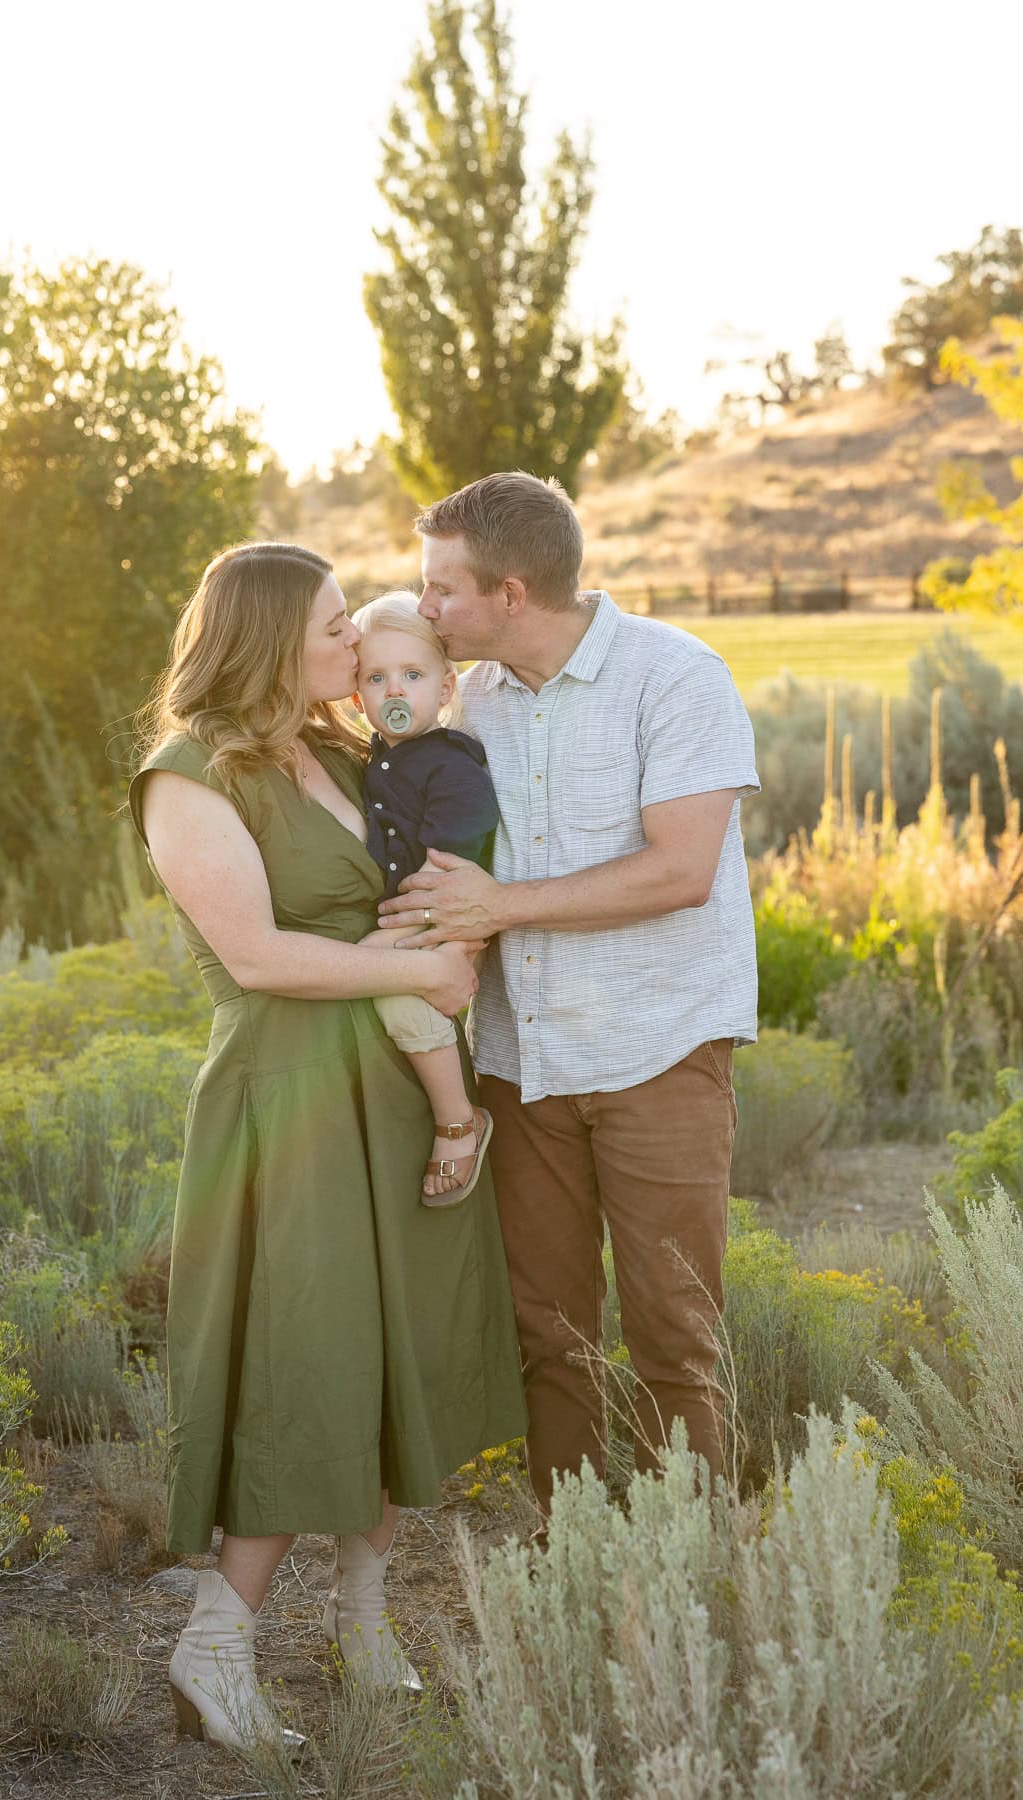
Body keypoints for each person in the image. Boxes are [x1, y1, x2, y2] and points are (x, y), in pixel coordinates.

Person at [128, 542, 527, 1749]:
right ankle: (214, 1648)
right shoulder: (190, 775)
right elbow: (254, 954)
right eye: (337, 623)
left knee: (399, 1361)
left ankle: (363, 1625)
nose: (358, 643)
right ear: (269, 638)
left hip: (399, 1092)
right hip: (288, 1097)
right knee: (304, 1370)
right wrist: (416, 967)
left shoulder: (351, 749)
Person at [378, 472, 759, 1516]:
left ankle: (688, 1570)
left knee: (675, 1336)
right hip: (521, 1064)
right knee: (549, 1336)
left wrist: (501, 906)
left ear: (509, 593)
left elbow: (682, 872)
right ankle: (575, 1563)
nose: (425, 610)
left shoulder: (675, 678)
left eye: (441, 589)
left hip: (659, 1052)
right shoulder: (469, 703)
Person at [350, 589, 499, 1204]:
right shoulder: (379, 759)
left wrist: (421, 937)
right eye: (376, 677)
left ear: (444, 688)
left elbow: (455, 858)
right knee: (366, 980)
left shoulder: (450, 763)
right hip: (416, 916)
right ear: (357, 696)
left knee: (387, 990)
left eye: (412, 675)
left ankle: (457, 1120)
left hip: (445, 914)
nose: (394, 691)